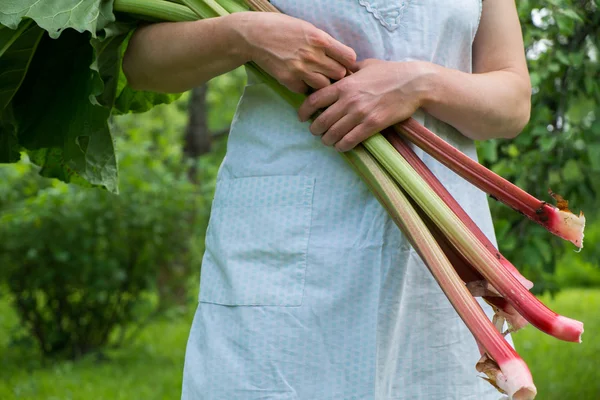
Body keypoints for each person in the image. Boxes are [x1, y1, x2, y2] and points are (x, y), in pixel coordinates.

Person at [123, 0, 531, 398]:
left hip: (440, 253)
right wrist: (241, 34)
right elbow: (139, 64)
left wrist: (420, 82)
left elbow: (512, 103)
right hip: (287, 246)